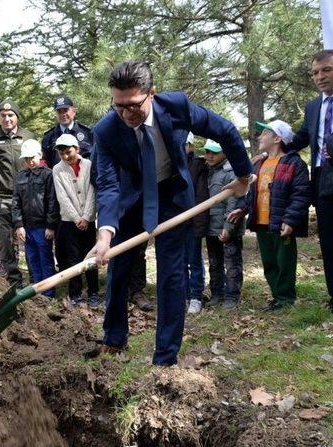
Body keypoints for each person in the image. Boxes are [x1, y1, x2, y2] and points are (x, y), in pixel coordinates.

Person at [87, 60, 252, 365]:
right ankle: (114, 338)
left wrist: (243, 177)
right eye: (119, 105)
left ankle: (165, 355)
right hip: (130, 198)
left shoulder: (176, 106)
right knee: (118, 268)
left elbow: (226, 131)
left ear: (152, 93)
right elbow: (107, 184)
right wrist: (105, 232)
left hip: (171, 196)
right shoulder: (106, 130)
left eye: (134, 105)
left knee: (172, 274)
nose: (126, 114)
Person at [230, 121, 311, 310]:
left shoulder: (294, 163)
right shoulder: (259, 163)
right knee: (269, 262)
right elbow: (252, 192)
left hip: (281, 223)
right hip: (261, 222)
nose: (259, 137)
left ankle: (285, 299)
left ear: (277, 138)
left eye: (265, 133)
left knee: (284, 262)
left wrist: (290, 220)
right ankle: (277, 297)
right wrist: (243, 209)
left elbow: (301, 194)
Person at [284, 49, 333, 312]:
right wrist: (274, 151)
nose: (320, 77)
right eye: (315, 73)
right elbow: (302, 138)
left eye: (326, 70)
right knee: (329, 240)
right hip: (321, 179)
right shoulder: (313, 106)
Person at [0, 99, 36, 287]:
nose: (7, 119)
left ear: (16, 117)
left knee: (31, 239)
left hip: (27, 196)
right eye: (3, 115)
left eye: (11, 115)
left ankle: (37, 281)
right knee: (5, 243)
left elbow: (39, 164)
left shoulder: (28, 136)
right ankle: (14, 284)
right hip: (1, 197)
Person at [52, 134, 100, 307]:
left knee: (91, 256)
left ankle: (94, 292)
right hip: (69, 221)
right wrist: (76, 218)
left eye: (68, 152)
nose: (66, 157)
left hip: (88, 220)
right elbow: (62, 197)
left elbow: (92, 191)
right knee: (73, 258)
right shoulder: (57, 169)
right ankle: (76, 293)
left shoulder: (88, 165)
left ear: (77, 149)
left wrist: (87, 217)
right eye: (62, 153)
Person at [12, 140, 59, 298]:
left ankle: (49, 293)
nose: (30, 161)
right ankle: (37, 291)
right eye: (26, 159)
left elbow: (53, 201)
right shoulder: (20, 176)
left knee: (45, 258)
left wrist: (51, 225)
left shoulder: (48, 174)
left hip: (42, 226)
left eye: (32, 157)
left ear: (39, 155)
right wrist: (18, 225)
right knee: (32, 259)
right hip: (26, 227)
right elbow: (16, 202)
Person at [203, 140, 245, 309]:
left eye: (214, 152)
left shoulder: (231, 172)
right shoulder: (206, 171)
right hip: (210, 227)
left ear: (225, 152)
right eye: (207, 151)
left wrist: (228, 228)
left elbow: (233, 202)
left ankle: (232, 296)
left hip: (228, 228)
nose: (210, 155)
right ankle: (217, 293)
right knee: (214, 263)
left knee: (232, 263)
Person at [184, 132, 209, 314]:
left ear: (191, 146)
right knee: (179, 262)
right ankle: (183, 295)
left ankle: (195, 296)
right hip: (173, 223)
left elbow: (201, 197)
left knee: (194, 261)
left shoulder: (198, 165)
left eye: (185, 144)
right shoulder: (168, 164)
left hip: (193, 222)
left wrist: (199, 225)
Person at [41, 94, 94, 168]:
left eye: (66, 110)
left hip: (84, 177)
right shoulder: (48, 137)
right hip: (58, 177)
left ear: (74, 111)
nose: (63, 114)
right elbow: (45, 163)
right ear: (55, 114)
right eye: (59, 112)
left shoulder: (87, 133)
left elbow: (94, 158)